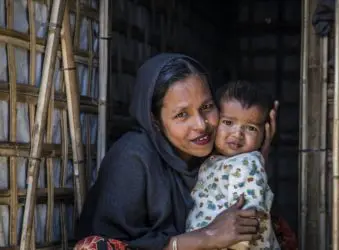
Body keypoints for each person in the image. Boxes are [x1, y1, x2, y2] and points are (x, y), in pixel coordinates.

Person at [74, 53, 278, 250]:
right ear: (154, 119)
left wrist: (254, 158)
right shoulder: (133, 157)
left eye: (207, 106)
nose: (201, 124)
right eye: (182, 114)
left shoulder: (216, 158)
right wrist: (207, 236)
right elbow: (113, 242)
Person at [186, 80, 280, 250]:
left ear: (264, 134)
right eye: (228, 123)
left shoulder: (248, 164)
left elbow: (248, 219)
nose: (237, 134)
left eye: (250, 128)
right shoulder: (213, 160)